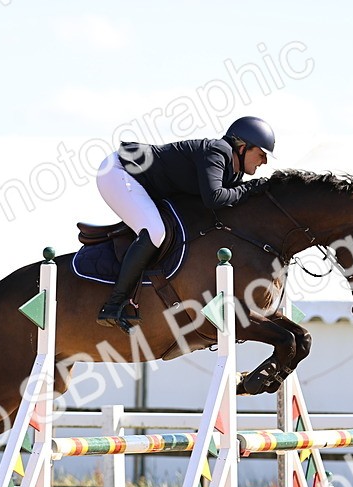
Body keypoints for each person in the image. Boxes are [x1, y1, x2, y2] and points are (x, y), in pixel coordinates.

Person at [94, 116, 275, 329]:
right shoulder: (217, 152)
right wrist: (252, 188)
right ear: (243, 147)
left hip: (142, 182)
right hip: (119, 172)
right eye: (261, 154)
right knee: (155, 231)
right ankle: (113, 305)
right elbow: (214, 198)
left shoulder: (232, 172)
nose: (264, 161)